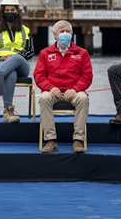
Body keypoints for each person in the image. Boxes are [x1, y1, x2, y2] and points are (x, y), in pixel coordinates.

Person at [34, 20, 93, 154]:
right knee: (44, 98)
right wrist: (50, 87)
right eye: (62, 32)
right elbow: (39, 75)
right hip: (53, 91)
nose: (65, 34)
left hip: (74, 91)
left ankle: (78, 140)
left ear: (72, 34)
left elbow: (87, 76)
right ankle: (50, 140)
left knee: (83, 99)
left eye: (68, 31)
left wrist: (75, 89)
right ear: (55, 35)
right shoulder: (45, 53)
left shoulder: (82, 53)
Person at [0, 0, 35, 123]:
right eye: (7, 10)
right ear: (2, 12)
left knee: (16, 59)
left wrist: (14, 56)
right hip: (0, 63)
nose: (9, 12)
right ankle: (8, 111)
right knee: (11, 73)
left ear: (17, 11)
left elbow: (30, 51)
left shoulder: (25, 30)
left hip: (21, 65)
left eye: (12, 10)